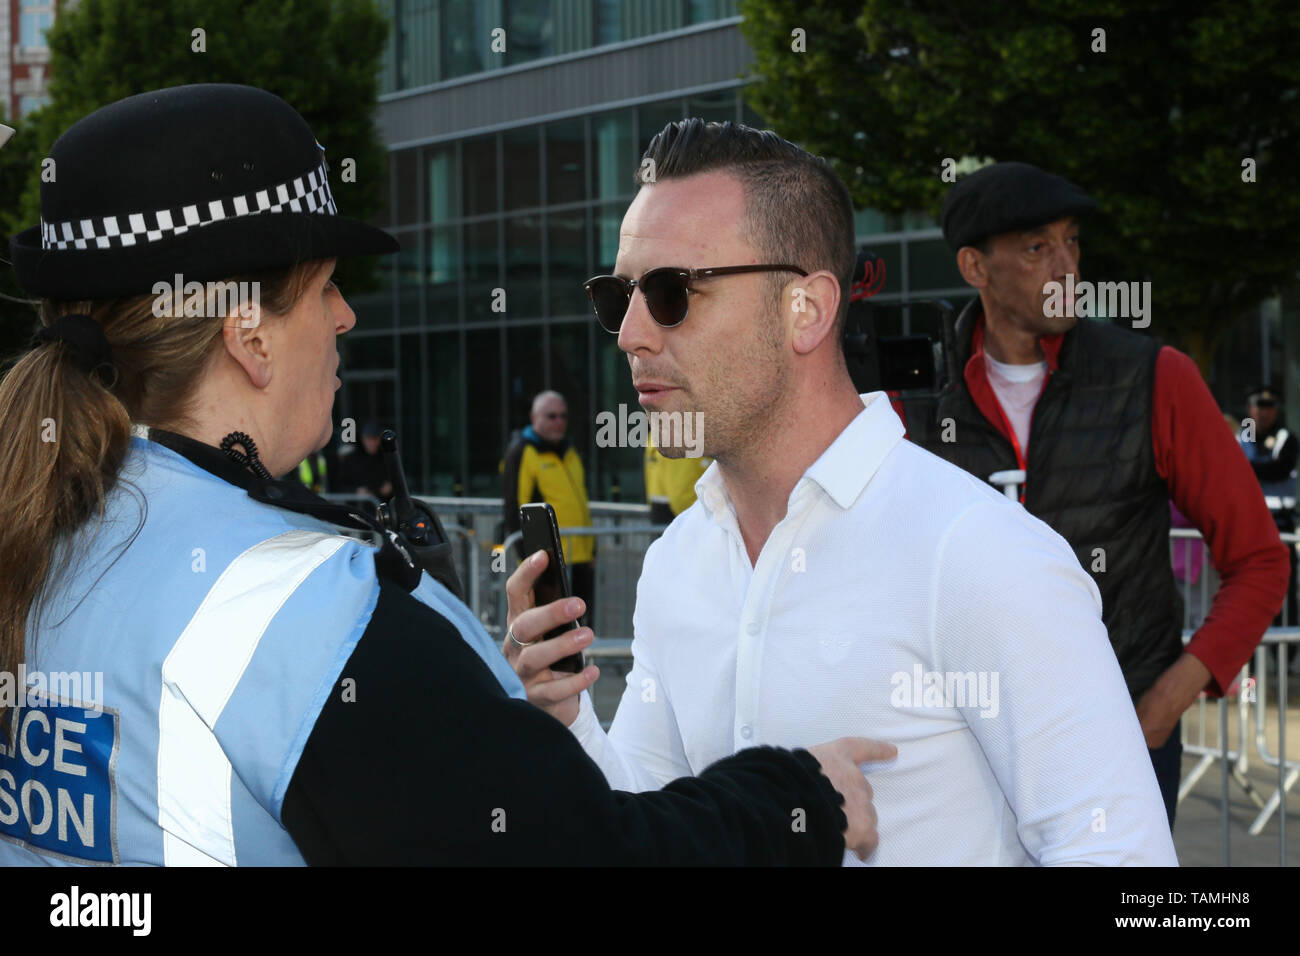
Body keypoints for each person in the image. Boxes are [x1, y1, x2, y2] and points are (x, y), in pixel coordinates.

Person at [0, 84, 887, 866]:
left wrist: (488, 711)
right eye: (324, 289)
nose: (347, 316)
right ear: (249, 338)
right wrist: (794, 801)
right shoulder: (306, 614)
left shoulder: (48, 527)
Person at [503, 119, 1178, 865]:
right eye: (617, 295)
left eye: (671, 292)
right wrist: (567, 720)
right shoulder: (678, 562)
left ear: (809, 310)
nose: (629, 333)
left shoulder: (981, 555)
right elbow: (651, 816)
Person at [899, 161, 1290, 827]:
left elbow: (1260, 560)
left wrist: (1164, 704)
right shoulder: (909, 403)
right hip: (960, 747)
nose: (1065, 266)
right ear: (975, 267)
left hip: (1120, 737)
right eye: (1035, 248)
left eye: (1072, 241)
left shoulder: (1154, 377)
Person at [501, 390, 595, 623]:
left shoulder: (570, 451)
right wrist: (528, 561)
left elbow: (580, 504)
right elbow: (514, 509)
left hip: (580, 556)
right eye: (551, 416)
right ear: (534, 419)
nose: (559, 422)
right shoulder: (523, 451)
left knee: (580, 626)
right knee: (553, 629)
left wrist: (592, 550)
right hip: (548, 562)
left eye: (563, 416)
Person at [1240, 384, 1298, 649]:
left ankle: (1285, 654)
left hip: (1281, 526)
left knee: (1287, 592)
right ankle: (1253, 652)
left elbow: (1280, 468)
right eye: (1258, 407)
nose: (1263, 413)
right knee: (1251, 590)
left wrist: (1250, 468)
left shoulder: (1286, 437)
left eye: (1268, 408)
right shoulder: (1247, 434)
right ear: (1250, 409)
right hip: (1252, 528)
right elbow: (1240, 463)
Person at [644, 436, 711, 525]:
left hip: (661, 507)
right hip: (680, 512)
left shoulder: (656, 435)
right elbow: (681, 490)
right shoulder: (681, 437)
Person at [336, 420, 392, 500]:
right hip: (357, 507)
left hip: (381, 506)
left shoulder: (386, 458)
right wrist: (355, 491)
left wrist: (390, 487)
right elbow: (339, 486)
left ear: (379, 439)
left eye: (375, 439)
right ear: (362, 439)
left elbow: (397, 483)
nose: (372, 443)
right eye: (368, 439)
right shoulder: (350, 459)